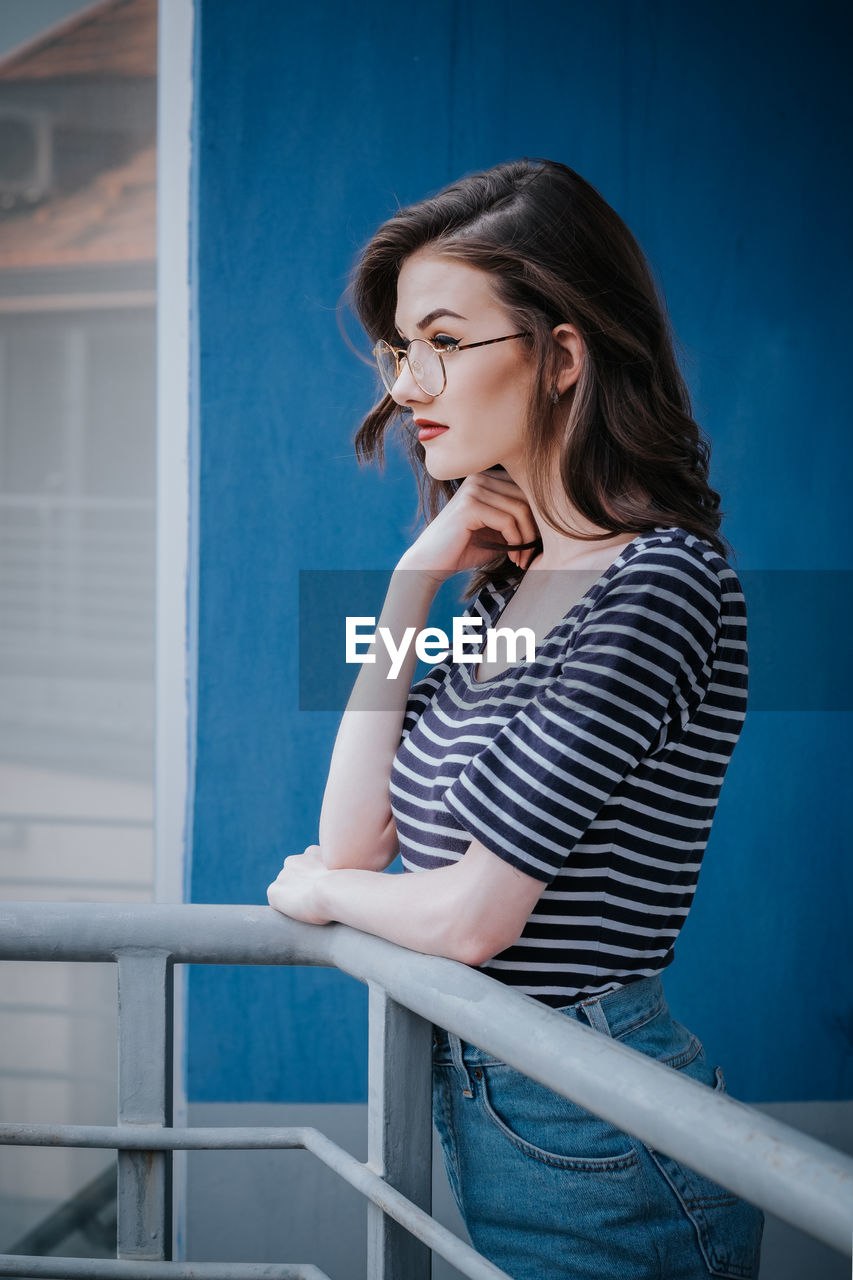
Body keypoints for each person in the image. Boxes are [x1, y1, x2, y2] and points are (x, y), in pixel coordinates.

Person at [267, 158, 764, 1280]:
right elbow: (359, 838)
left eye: (445, 339)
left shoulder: (659, 585)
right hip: (505, 1105)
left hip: (600, 1128)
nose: (407, 385)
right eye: (403, 349)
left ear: (563, 354)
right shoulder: (511, 584)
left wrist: (320, 894)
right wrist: (410, 582)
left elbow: (472, 917)